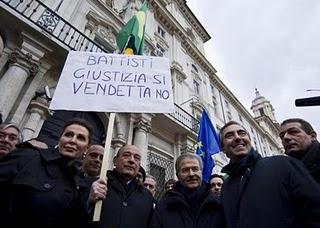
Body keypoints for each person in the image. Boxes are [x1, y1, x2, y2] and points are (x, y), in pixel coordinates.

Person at [220, 121, 320, 228]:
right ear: (223, 148)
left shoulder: (283, 164)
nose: (237, 137)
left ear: (250, 141)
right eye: (229, 136)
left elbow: (315, 209)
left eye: (242, 133)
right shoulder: (225, 187)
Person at [0, 118, 92, 228]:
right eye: (68, 135)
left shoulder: (79, 184)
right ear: (60, 139)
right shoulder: (26, 156)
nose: (72, 140)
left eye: (81, 138)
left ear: (87, 148)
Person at [150, 153, 225, 228]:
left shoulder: (217, 204)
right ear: (177, 175)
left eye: (195, 169)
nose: (191, 174)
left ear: (201, 171)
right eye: (185, 170)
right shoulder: (164, 206)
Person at [88, 144, 154, 228]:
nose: (132, 160)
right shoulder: (96, 185)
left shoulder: (147, 196)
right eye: (126, 155)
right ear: (115, 161)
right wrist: (89, 201)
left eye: (136, 158)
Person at [280, 118, 320, 183]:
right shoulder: (284, 173)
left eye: (293, 132)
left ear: (313, 136)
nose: (285, 137)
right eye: (282, 136)